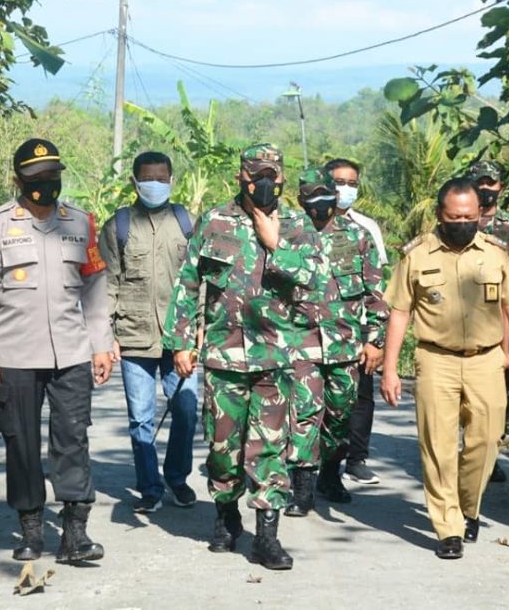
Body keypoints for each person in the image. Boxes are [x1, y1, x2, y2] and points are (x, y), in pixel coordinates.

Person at [165, 143, 323, 570]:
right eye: (257, 176)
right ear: (241, 178)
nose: (265, 183)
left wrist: (277, 247)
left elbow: (315, 281)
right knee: (223, 446)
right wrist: (182, 340)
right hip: (223, 356)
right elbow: (188, 281)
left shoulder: (295, 224)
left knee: (270, 446)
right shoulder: (216, 220)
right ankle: (225, 516)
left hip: (276, 356)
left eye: (272, 175)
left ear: (283, 178)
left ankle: (266, 536)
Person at [0, 138, 112, 564]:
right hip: (13, 355)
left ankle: (75, 535)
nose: (46, 184)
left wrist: (101, 344)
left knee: (72, 440)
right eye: (36, 178)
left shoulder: (81, 224)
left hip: (71, 354)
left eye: (52, 176)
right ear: (19, 180)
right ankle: (30, 528)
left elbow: (96, 287)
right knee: (21, 443)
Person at [380, 177, 509, 560]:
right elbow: (400, 313)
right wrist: (389, 369)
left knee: (486, 440)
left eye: (470, 216)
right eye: (455, 217)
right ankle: (448, 526)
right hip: (436, 359)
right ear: (440, 215)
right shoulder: (417, 255)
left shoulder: (497, 253)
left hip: (486, 360)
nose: (464, 222)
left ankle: (468, 506)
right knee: (439, 447)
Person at [98, 151, 199, 514]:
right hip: (134, 336)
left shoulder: (187, 222)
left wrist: (200, 331)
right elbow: (108, 283)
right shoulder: (118, 226)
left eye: (161, 178)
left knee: (187, 409)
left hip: (179, 338)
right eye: (147, 178)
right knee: (140, 417)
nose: (154, 184)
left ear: (171, 180)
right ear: (135, 182)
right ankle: (149, 486)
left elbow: (201, 282)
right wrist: (105, 336)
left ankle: (177, 478)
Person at [285, 168, 388, 517]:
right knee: (303, 414)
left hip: (345, 345)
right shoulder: (287, 235)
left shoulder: (358, 237)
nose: (322, 202)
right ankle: (302, 490)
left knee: (340, 415)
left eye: (326, 194)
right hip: (300, 345)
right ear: (301, 200)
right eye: (313, 196)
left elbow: (375, 292)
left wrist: (375, 341)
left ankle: (330, 473)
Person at [325, 158, 388, 486]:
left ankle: (356, 458)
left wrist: (375, 338)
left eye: (351, 183)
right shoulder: (303, 226)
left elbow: (377, 284)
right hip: (316, 332)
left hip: (358, 328)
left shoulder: (366, 229)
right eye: (338, 181)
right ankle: (317, 471)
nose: (345, 189)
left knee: (360, 398)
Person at [466, 159, 509, 483]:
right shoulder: (461, 218)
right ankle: (468, 451)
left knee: (498, 394)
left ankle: (490, 453)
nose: (486, 189)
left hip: (503, 317)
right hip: (466, 316)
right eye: (480, 183)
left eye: (491, 183)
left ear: (500, 186)